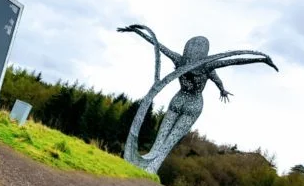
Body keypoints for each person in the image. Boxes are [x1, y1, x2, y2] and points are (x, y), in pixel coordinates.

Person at [117, 24, 278, 166]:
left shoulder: (180, 60)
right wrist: (261, 59)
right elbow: (232, 62)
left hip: (179, 100)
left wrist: (136, 31)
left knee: (162, 139)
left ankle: (148, 164)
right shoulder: (207, 65)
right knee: (167, 141)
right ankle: (149, 165)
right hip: (191, 103)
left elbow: (158, 45)